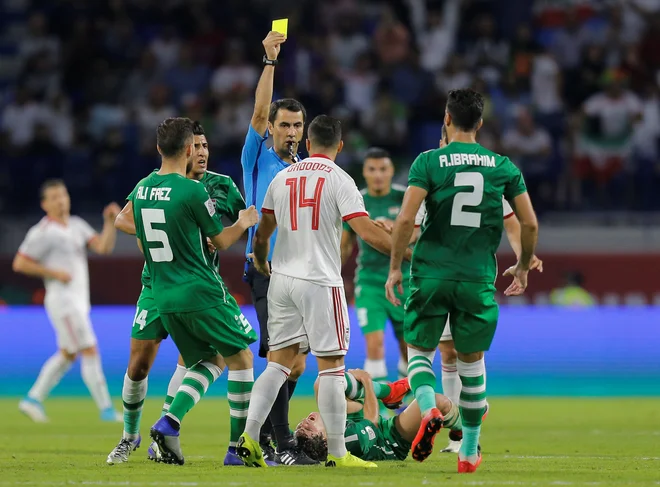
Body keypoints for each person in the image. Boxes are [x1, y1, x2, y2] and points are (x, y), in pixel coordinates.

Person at [237, 115, 410, 468]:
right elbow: (366, 231)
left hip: (282, 281)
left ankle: (250, 439)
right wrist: (409, 253)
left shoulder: (283, 177)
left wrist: (259, 259)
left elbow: (264, 230)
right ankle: (338, 454)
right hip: (319, 281)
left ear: (308, 143)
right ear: (340, 147)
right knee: (331, 368)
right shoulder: (341, 179)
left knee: (277, 366)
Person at [386, 89, 539, 473]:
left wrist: (393, 268)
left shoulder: (428, 162)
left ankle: (427, 408)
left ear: (447, 119)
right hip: (476, 278)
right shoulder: (502, 167)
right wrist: (522, 265)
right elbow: (529, 223)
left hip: (432, 273)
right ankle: (469, 449)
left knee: (420, 353)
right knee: (472, 364)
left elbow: (405, 221)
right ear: (481, 123)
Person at [107, 122, 256, 466]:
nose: (202, 152)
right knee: (142, 364)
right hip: (175, 285)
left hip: (175, 284)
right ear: (186, 149)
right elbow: (124, 221)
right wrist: (183, 231)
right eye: (197, 145)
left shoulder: (219, 185)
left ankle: (166, 430)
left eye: (207, 146)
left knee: (202, 359)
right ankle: (138, 435)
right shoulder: (179, 189)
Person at [434, 124, 544, 454]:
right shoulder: (431, 173)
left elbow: (513, 223)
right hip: (437, 276)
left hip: (471, 275)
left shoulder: (484, 178)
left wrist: (524, 255)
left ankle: (471, 420)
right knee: (447, 352)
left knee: (468, 351)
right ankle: (459, 432)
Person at [241, 31, 313, 465]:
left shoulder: (307, 168)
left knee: (296, 364)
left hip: (302, 270)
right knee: (278, 356)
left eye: (296, 125)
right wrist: (270, 61)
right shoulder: (258, 156)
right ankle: (280, 443)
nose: (289, 131)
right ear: (271, 128)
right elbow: (256, 110)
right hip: (265, 268)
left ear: (305, 131)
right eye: (283, 124)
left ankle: (265, 429)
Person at [13, 180, 122, 423]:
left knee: (68, 353)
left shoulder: (76, 225)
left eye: (63, 195)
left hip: (78, 301)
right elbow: (19, 263)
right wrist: (54, 273)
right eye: (54, 197)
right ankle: (106, 410)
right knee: (89, 349)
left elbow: (103, 248)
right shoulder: (42, 232)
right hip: (63, 302)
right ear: (44, 204)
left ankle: (32, 399)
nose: (61, 200)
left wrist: (109, 222)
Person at [340, 148, 423, 401]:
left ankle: (404, 404)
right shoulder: (356, 200)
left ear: (391, 171)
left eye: (383, 169)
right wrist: (332, 274)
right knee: (374, 345)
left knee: (409, 349)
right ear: (364, 172)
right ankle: (377, 411)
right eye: (372, 169)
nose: (377, 175)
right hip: (370, 283)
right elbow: (344, 245)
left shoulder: (405, 197)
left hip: (405, 282)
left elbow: (419, 234)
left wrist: (397, 231)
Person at [295, 369, 465, 463]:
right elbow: (372, 421)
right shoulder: (349, 439)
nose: (305, 420)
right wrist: (367, 382)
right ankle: (463, 428)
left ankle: (391, 392)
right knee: (437, 401)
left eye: (300, 424)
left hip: (366, 421)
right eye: (309, 427)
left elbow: (359, 407)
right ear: (324, 439)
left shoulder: (332, 427)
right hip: (391, 439)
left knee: (324, 383)